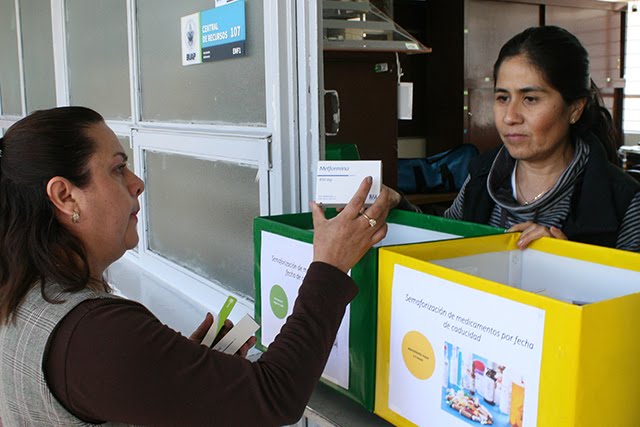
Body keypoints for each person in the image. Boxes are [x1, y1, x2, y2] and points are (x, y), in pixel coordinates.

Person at [0, 106, 391, 426]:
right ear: (65, 196)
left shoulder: (22, 294)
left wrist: (174, 374)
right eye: (118, 168)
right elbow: (276, 396)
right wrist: (330, 265)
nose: (137, 183)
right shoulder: (95, 334)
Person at [391, 25, 640, 251]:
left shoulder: (624, 201)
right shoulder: (482, 176)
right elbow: (447, 240)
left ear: (574, 108)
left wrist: (569, 263)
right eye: (502, 98)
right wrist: (397, 208)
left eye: (530, 99)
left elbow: (631, 297)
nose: (510, 117)